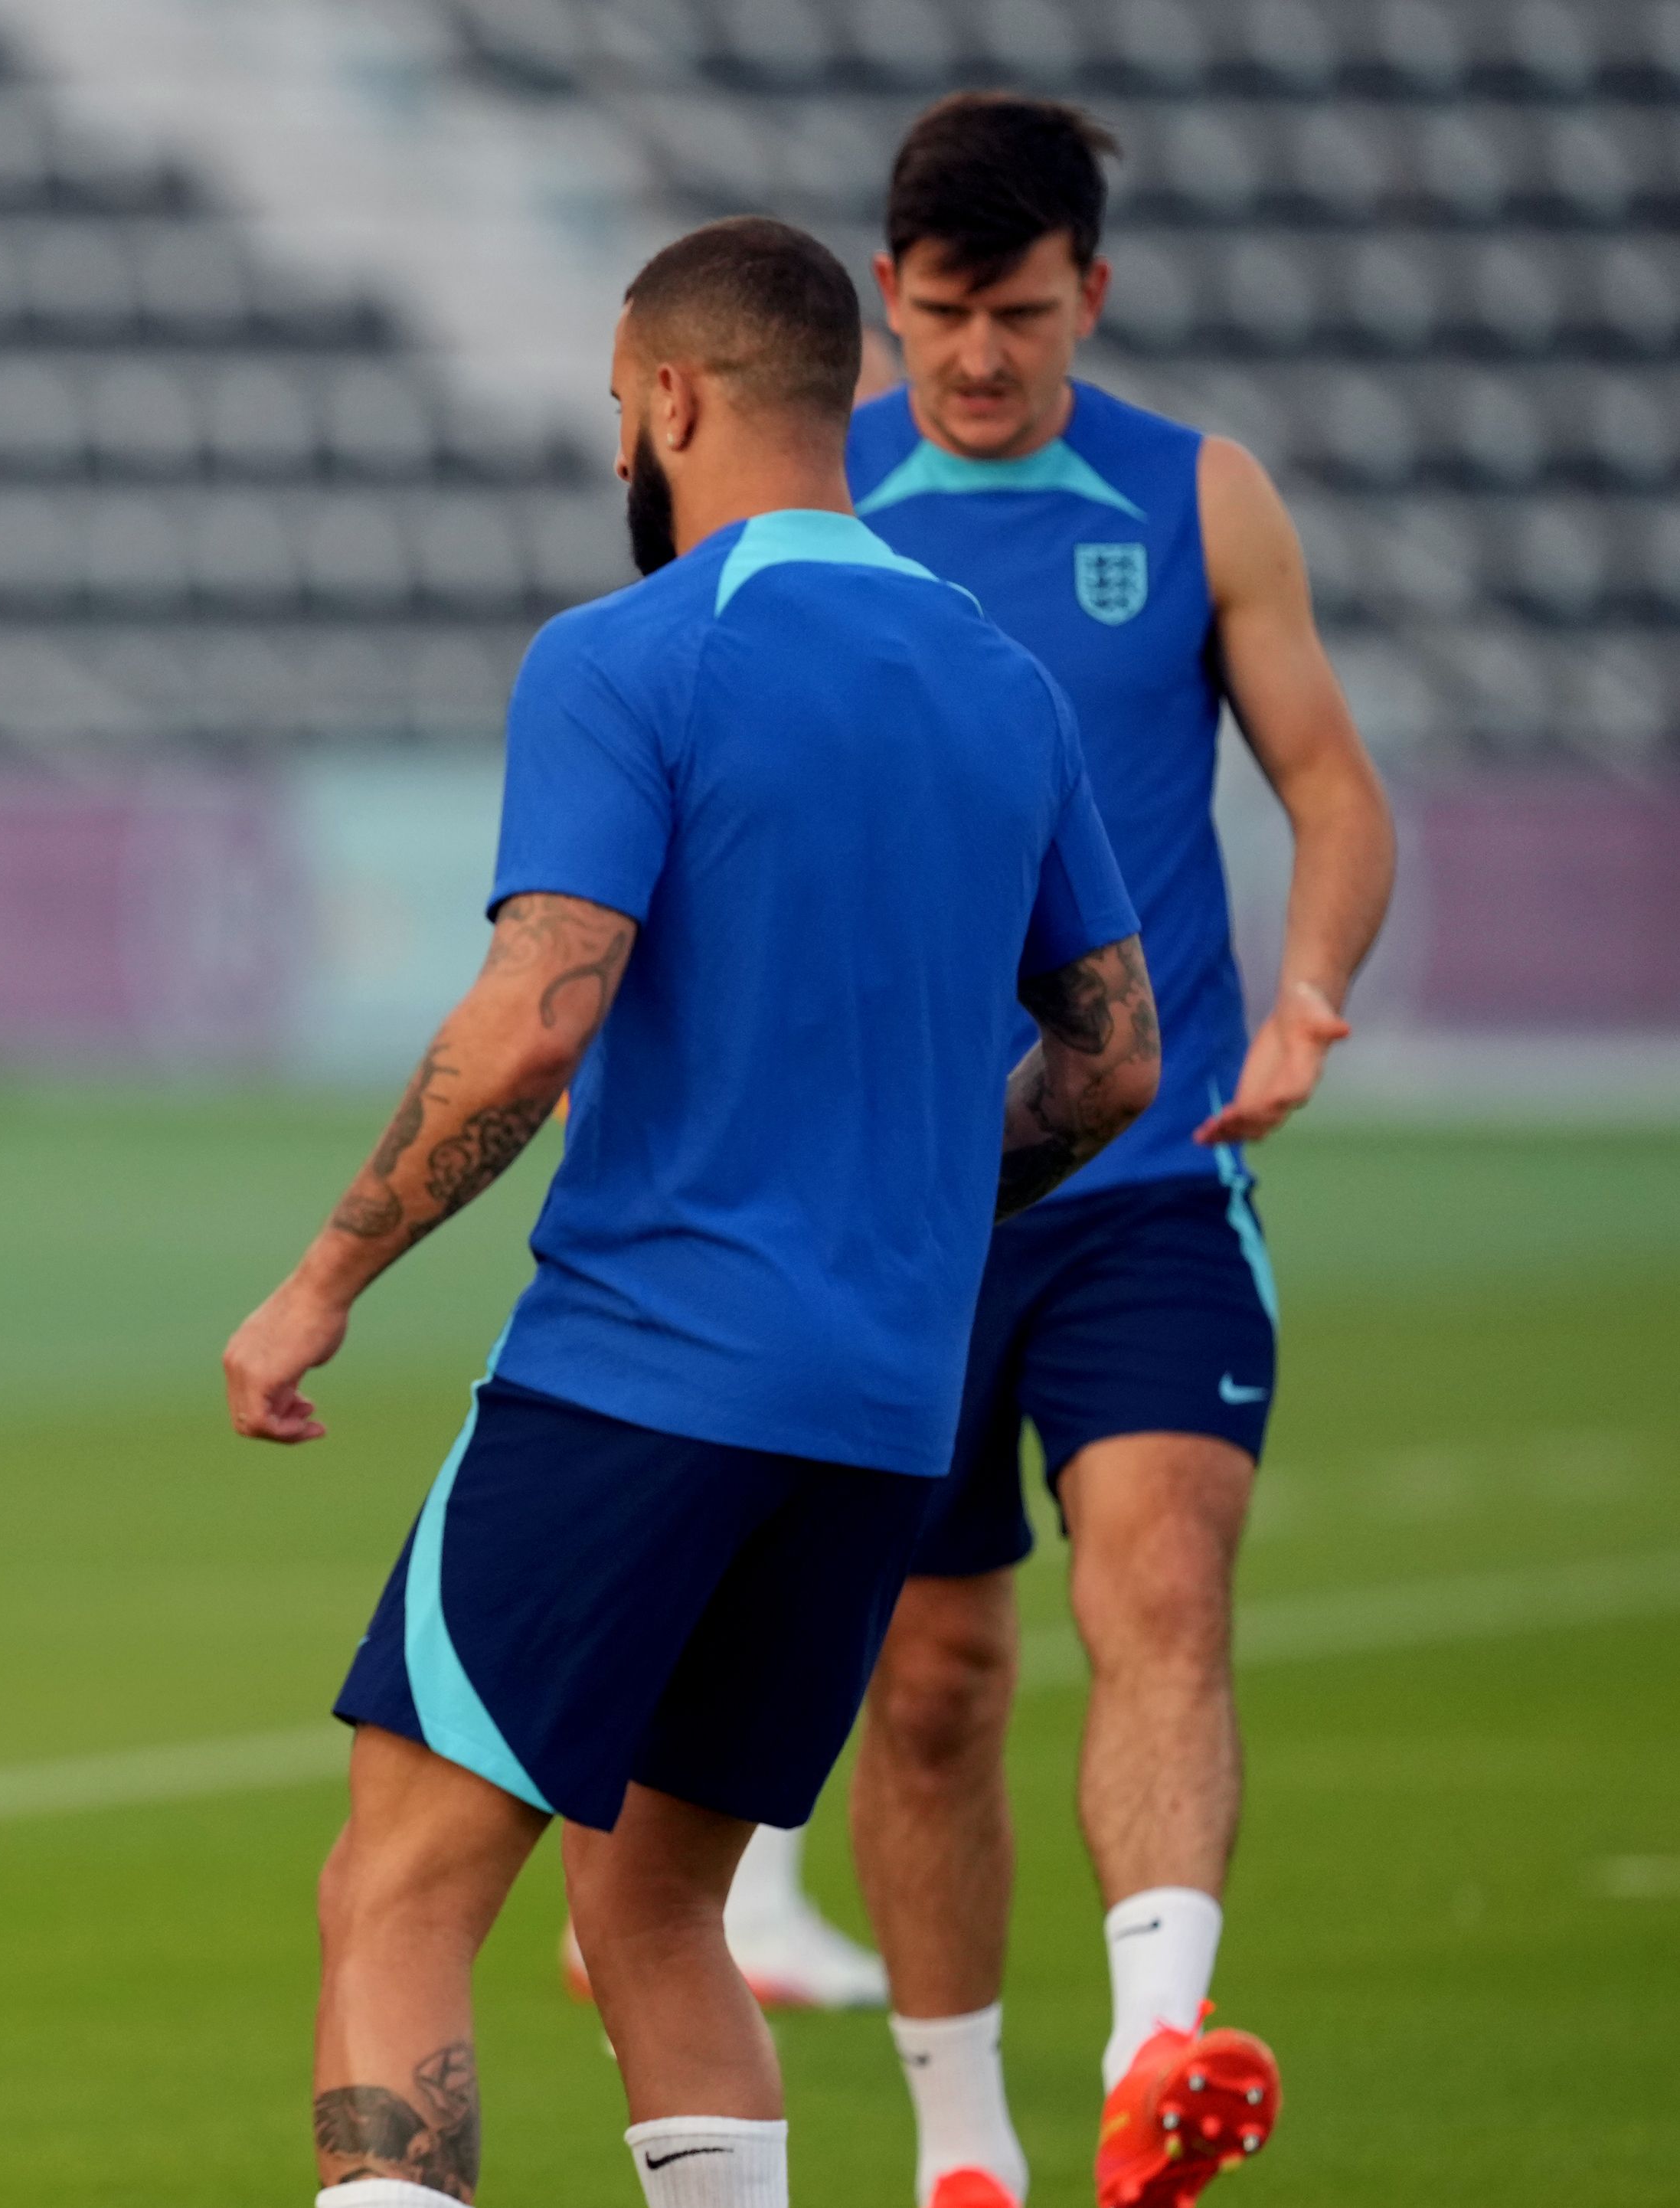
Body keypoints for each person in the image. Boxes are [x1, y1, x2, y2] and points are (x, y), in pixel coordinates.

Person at [223, 215, 1159, 2208]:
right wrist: (904, 1194)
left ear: (664, 396)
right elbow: (1111, 1060)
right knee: (662, 1905)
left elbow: (525, 1024)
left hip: (636, 1378)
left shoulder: (629, 653)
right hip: (874, 1415)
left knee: (393, 1889)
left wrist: (319, 1278)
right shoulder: (1003, 685)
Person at [842, 93, 1394, 2208]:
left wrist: (1307, 985)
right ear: (885, 296)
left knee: (1160, 1582)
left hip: (1148, 1174)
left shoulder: (1193, 495)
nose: (980, 359)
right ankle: (960, 2151)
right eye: (944, 316)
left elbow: (1329, 784)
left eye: (1024, 314)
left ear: (1097, 293)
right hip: (899, 1204)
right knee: (932, 1680)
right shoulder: (811, 506)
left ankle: (1158, 2053)